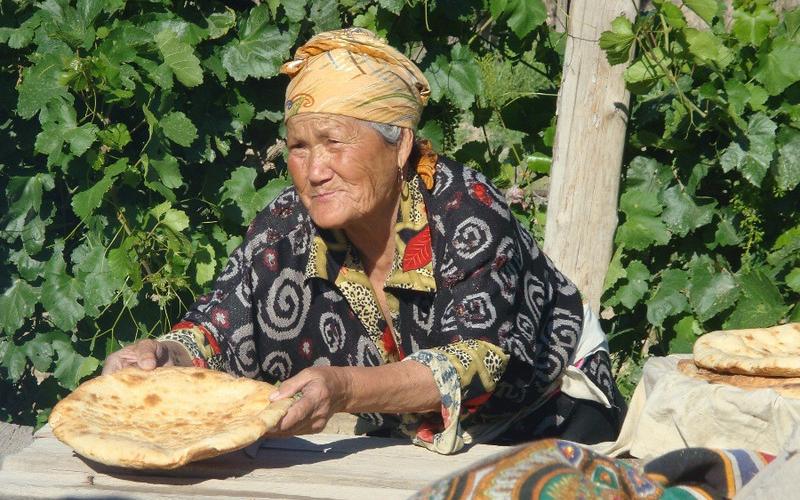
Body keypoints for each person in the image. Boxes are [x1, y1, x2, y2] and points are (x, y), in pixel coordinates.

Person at [103, 28, 626, 454]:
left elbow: (480, 358)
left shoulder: (466, 207)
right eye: (299, 147)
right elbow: (218, 327)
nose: (315, 169)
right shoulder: (287, 225)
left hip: (549, 409)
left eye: (334, 142)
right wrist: (166, 357)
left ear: (398, 147)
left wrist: (344, 389)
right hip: (412, 431)